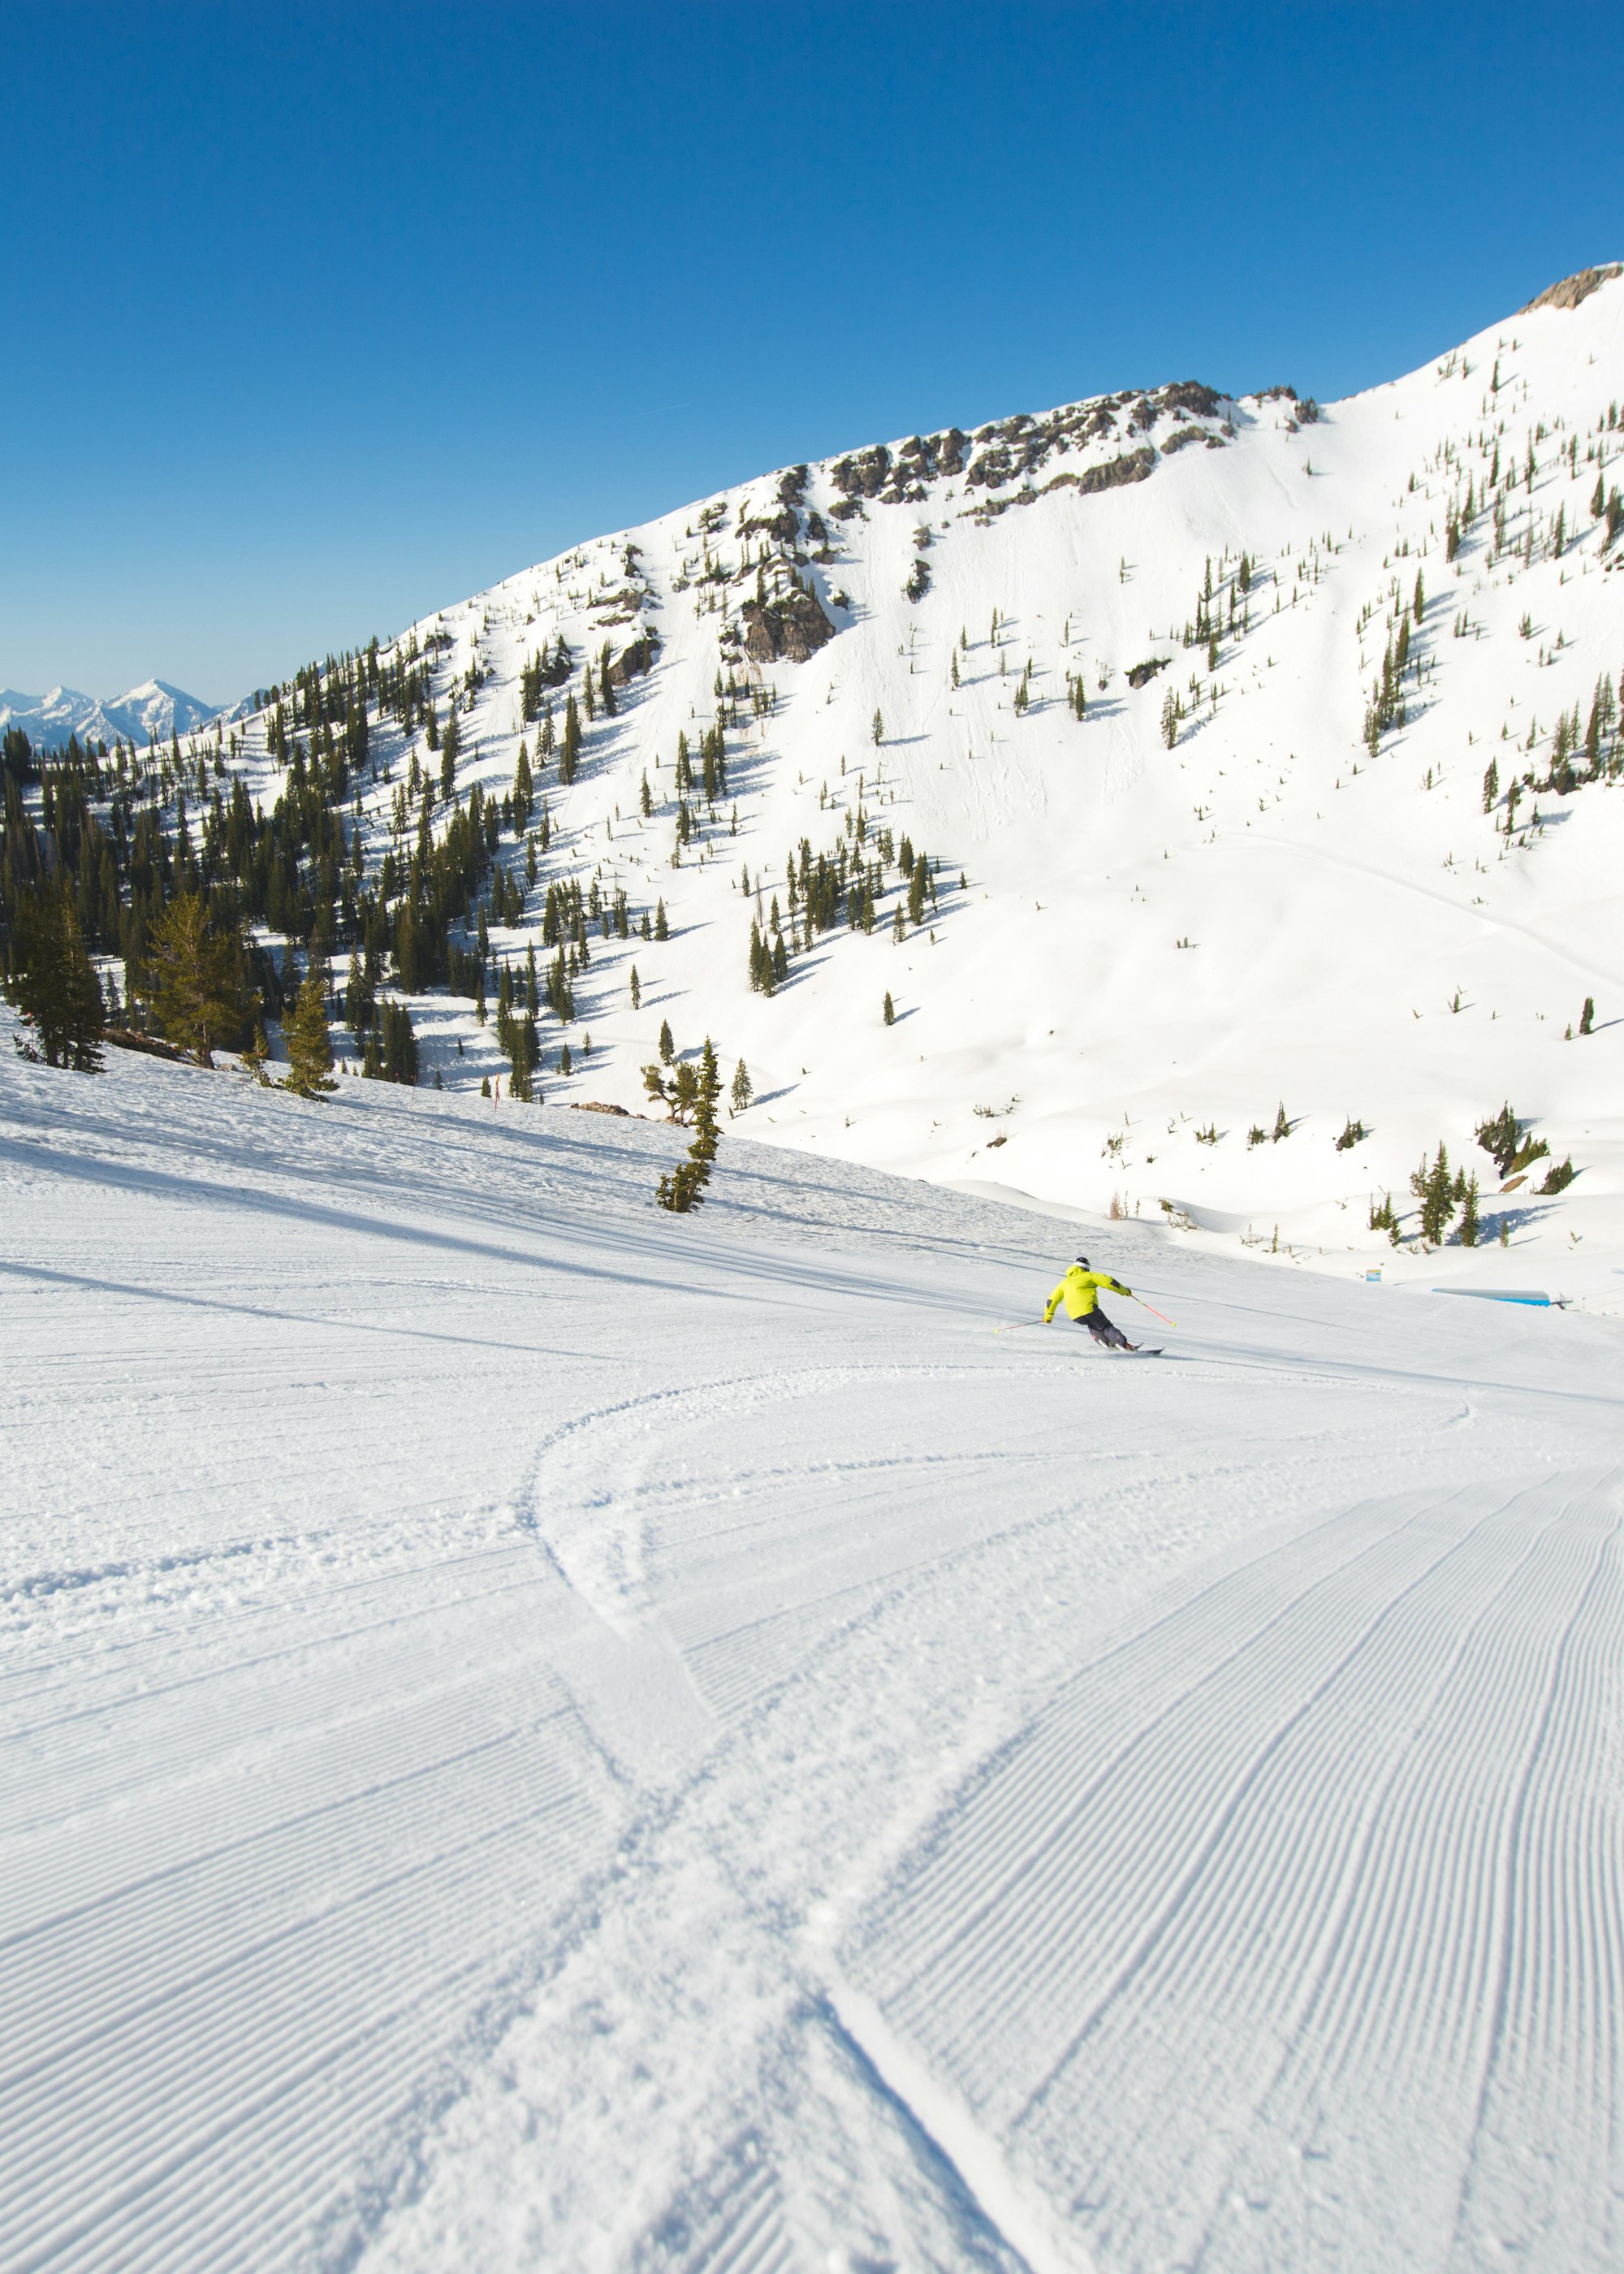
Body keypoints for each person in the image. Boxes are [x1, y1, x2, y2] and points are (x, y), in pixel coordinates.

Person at [1043, 1256, 1137, 1349]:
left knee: (1093, 1325)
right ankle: (1122, 1344)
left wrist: (1048, 1317)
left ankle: (1105, 1344)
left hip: (1075, 1316)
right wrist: (1125, 1291)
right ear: (1087, 1268)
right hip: (1089, 1309)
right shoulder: (1089, 1276)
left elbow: (1052, 1300)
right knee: (1105, 1326)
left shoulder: (1064, 1283)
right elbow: (1109, 1281)